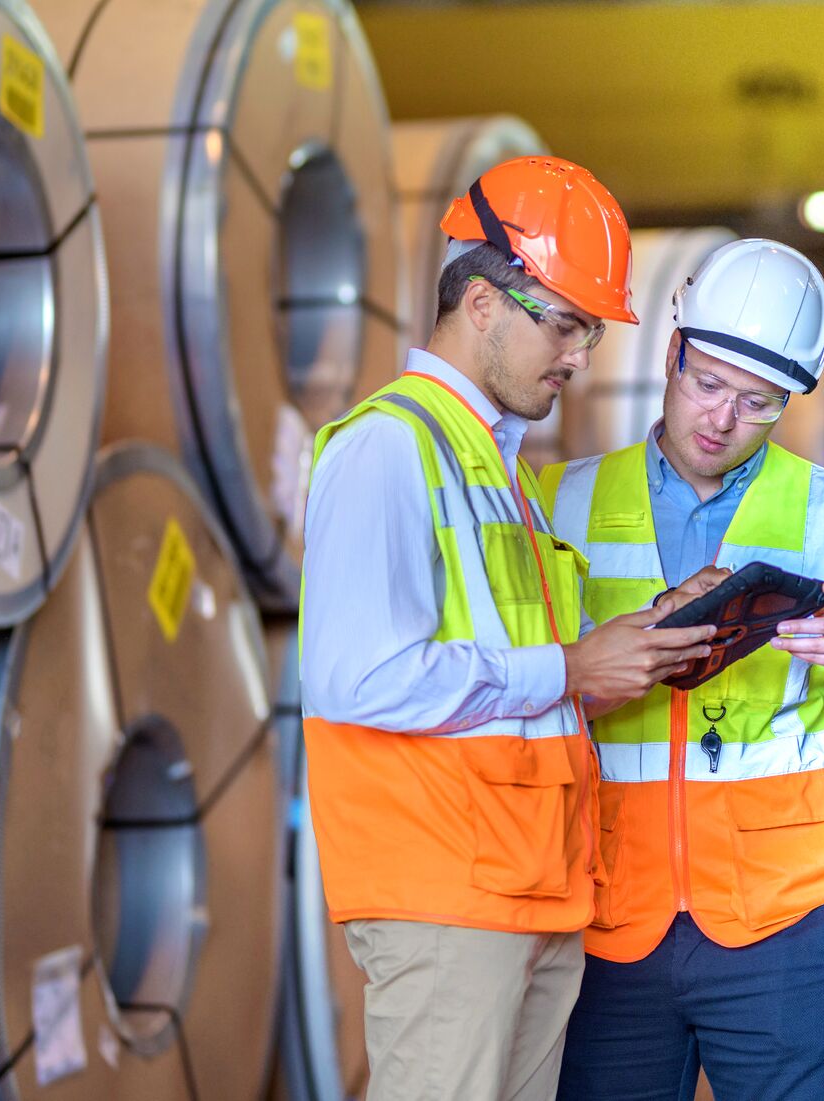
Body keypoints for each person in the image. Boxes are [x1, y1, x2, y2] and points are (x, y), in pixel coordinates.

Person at [298, 156, 717, 1101]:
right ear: (482, 302)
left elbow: (529, 679)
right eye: (565, 323)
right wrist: (571, 666)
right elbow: (356, 676)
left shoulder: (499, 471)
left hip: (529, 893)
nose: (580, 357)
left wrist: (646, 637)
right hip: (447, 897)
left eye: (590, 333)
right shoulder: (389, 446)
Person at [540, 239, 824, 1101]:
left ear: (788, 400)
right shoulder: (560, 502)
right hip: (606, 921)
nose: (722, 418)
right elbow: (512, 696)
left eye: (758, 402)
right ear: (672, 353)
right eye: (706, 383)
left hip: (780, 930)